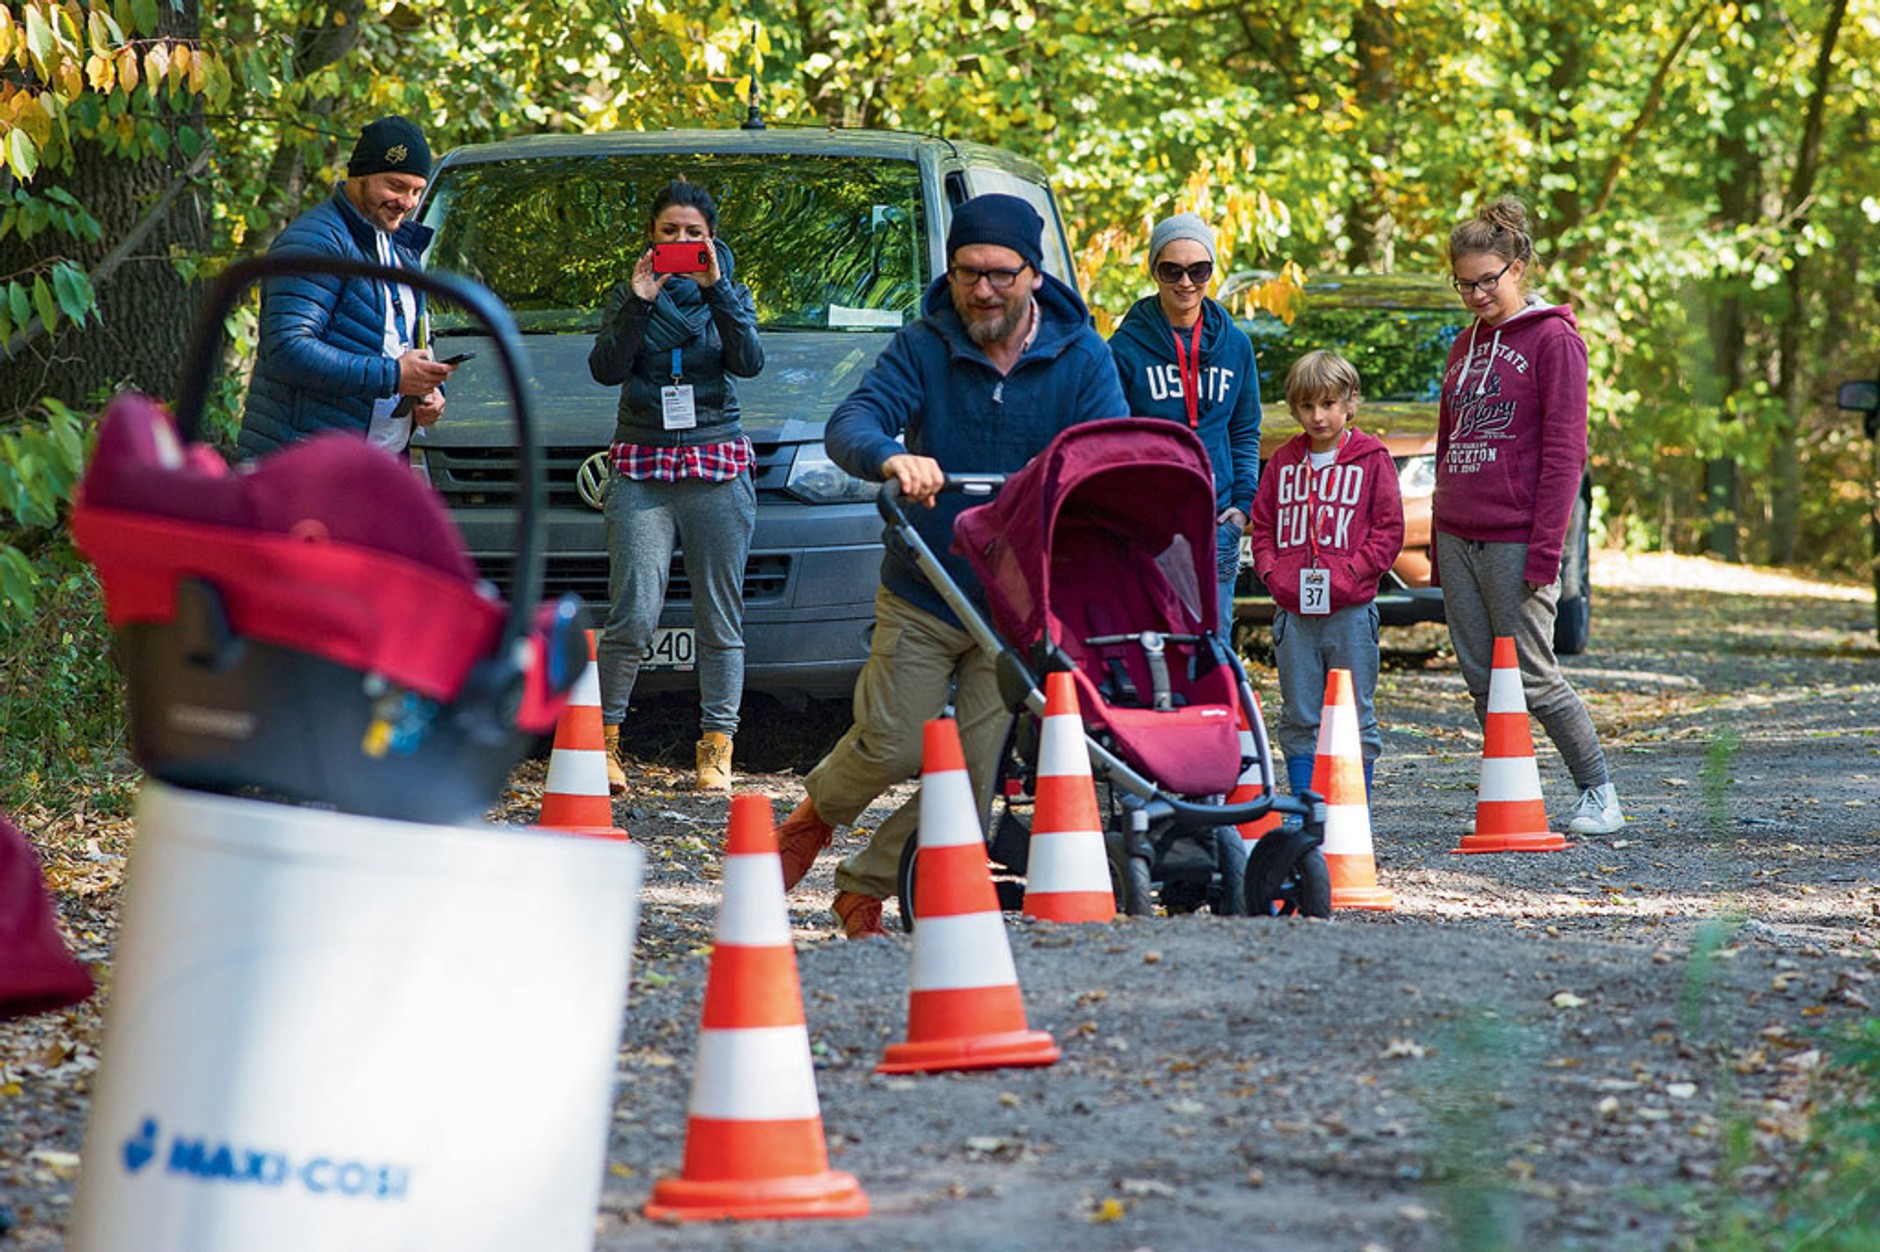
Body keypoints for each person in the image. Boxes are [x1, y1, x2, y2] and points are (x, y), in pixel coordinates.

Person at [772, 193, 1129, 938]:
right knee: (895, 741)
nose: (983, 291)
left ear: (1034, 274)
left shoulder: (1082, 355)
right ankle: (818, 813)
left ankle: (863, 885)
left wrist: (1068, 481)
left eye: (1000, 274)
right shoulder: (925, 344)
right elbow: (853, 421)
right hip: (927, 589)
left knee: (969, 787)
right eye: (968, 274)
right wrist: (892, 455)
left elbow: (1112, 451)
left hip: (1016, 607)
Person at [1436, 195, 1623, 835]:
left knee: (1534, 676)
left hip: (1517, 537)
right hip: (1458, 532)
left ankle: (1598, 790)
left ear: (1518, 267)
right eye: (1464, 283)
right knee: (1481, 680)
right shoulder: (1464, 346)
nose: (1476, 293)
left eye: (1487, 279)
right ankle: (1511, 791)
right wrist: (1439, 530)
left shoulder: (1555, 342)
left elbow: (1566, 453)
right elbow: (1448, 439)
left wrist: (1547, 551)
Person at [587, 180, 764, 793]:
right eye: (670, 233)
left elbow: (749, 361)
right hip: (643, 465)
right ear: (652, 237)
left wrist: (719, 294)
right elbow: (606, 368)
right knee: (632, 612)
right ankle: (602, 744)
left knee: (722, 619)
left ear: (711, 237)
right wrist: (638, 302)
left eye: (694, 233)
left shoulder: (730, 294)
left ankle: (717, 748)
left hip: (717, 462)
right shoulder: (628, 292)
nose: (683, 243)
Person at [238, 116, 459, 459]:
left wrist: (428, 392)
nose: (408, 202)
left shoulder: (400, 247)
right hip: (304, 464)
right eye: (396, 186)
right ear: (360, 175)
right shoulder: (315, 242)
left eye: (416, 190)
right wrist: (393, 375)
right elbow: (287, 349)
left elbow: (401, 343)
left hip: (374, 466)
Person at [1248, 350, 1403, 799]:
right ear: (1293, 409)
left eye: (1329, 404)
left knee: (1356, 712)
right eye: (1307, 406)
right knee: (1299, 713)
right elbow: (1263, 528)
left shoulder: (1372, 459)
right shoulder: (1282, 463)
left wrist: (1352, 571)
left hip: (1351, 613)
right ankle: (1305, 813)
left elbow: (1388, 530)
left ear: (1351, 402)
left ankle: (1353, 812)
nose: (1318, 416)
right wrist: (1273, 574)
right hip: (1293, 614)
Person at [1107, 212, 1261, 637]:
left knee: (1212, 641)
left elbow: (1245, 431)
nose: (1186, 282)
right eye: (1172, 270)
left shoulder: (1235, 345)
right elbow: (1110, 440)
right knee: (1150, 637)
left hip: (1216, 519)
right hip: (1148, 522)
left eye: (1199, 270)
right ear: (1154, 270)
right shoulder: (1123, 348)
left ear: (1212, 270)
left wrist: (1242, 504)